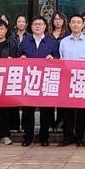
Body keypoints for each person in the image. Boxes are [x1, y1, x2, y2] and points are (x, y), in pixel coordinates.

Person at [18, 16, 60, 146]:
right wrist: (21, 58)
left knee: (46, 110)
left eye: (41, 24)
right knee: (28, 110)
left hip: (46, 80)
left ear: (45, 26)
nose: (38, 26)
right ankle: (28, 137)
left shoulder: (52, 42)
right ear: (31, 26)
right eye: (35, 24)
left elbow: (58, 59)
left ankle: (44, 137)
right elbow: (17, 58)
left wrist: (53, 59)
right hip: (29, 80)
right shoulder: (25, 42)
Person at [59, 14, 85, 147]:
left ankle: (80, 137)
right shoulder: (64, 41)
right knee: (67, 110)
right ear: (69, 25)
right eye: (73, 22)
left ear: (82, 25)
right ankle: (68, 137)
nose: (75, 24)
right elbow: (61, 60)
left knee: (81, 110)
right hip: (66, 78)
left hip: (82, 79)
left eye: (78, 22)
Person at [9, 14, 30, 132]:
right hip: (13, 70)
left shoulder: (30, 37)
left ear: (26, 24)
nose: (21, 23)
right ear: (16, 24)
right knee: (14, 98)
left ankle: (26, 126)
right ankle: (15, 125)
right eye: (19, 21)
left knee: (25, 99)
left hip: (27, 71)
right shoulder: (11, 37)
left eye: (23, 22)